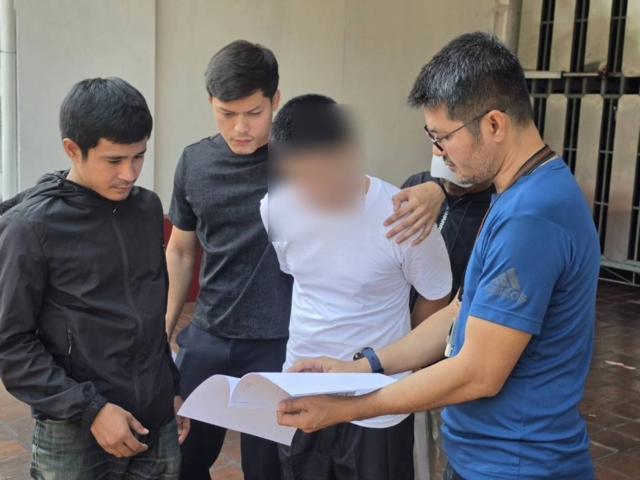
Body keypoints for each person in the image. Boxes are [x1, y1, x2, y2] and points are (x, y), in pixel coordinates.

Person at [277, 32, 600, 480]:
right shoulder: (518, 195)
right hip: (486, 459)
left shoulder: (531, 218)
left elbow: (477, 372)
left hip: (518, 465)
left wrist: (345, 408)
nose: (436, 152)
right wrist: (361, 367)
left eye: (442, 136)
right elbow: (458, 313)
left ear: (494, 124)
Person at [0, 77, 189, 480]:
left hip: (155, 421)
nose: (130, 173)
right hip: (74, 431)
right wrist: (91, 410)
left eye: (139, 156)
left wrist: (170, 389)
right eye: (114, 160)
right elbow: (10, 345)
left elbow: (149, 314)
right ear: (73, 149)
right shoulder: (30, 228)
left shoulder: (146, 208)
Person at [262, 94, 451, 480]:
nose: (312, 191)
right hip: (302, 386)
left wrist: (401, 362)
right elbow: (302, 279)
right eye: (299, 178)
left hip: (378, 402)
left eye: (323, 175)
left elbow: (437, 299)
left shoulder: (403, 218)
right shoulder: (275, 207)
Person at [166, 40, 292, 480]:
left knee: (267, 470)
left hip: (279, 343)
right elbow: (181, 249)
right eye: (226, 113)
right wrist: (163, 330)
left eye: (254, 113)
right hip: (208, 335)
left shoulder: (302, 162)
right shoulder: (194, 161)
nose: (240, 127)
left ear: (275, 100)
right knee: (181, 459)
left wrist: (433, 190)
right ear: (210, 103)